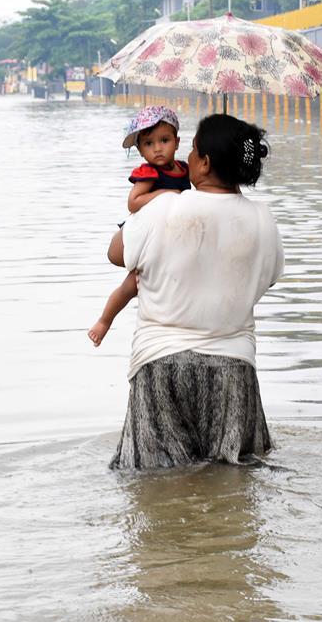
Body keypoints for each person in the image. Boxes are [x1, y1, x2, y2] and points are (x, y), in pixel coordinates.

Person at [105, 112, 285, 470]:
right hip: (234, 367)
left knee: (159, 487)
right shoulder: (264, 219)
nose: (184, 157)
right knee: (234, 482)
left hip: (161, 364)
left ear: (203, 163)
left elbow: (116, 254)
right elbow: (268, 279)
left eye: (193, 150)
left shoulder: (163, 207)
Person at [88, 106, 190, 347]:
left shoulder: (185, 169)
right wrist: (165, 192)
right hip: (146, 236)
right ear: (140, 149)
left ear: (177, 142)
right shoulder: (148, 173)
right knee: (132, 284)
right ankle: (104, 321)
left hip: (171, 234)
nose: (157, 148)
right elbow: (133, 203)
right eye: (148, 144)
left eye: (164, 140)